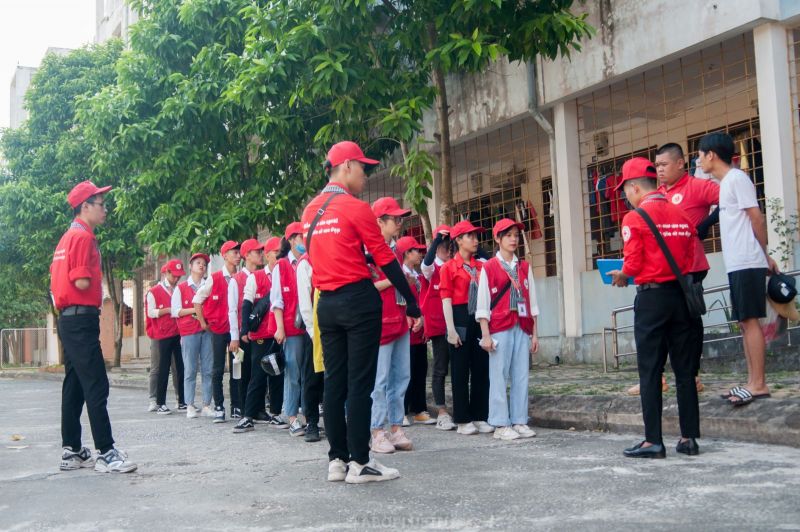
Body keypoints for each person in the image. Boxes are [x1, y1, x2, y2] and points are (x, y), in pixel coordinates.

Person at [300, 141, 421, 484]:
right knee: (360, 384)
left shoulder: (309, 212)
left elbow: (328, 254)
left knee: (334, 384)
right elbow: (386, 258)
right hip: (357, 301)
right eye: (364, 168)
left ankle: (337, 460)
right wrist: (411, 301)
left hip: (327, 304)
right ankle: (361, 463)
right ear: (347, 166)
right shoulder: (355, 208)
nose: (366, 175)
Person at [607, 157, 700, 458]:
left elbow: (632, 265)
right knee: (685, 371)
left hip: (651, 300)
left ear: (634, 187)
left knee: (650, 370)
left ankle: (653, 441)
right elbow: (691, 259)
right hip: (681, 297)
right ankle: (688, 439)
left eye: (625, 191)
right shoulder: (681, 213)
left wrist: (622, 276)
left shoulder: (635, 218)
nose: (625, 197)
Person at [51, 180, 137, 473]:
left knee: (75, 383)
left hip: (68, 318)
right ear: (85, 207)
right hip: (80, 318)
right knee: (96, 382)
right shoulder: (84, 238)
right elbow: (82, 280)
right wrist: (92, 284)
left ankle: (72, 449)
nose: (105, 209)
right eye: (101, 204)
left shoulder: (66, 238)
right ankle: (106, 451)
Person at [697, 132, 777, 406]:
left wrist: (764, 255)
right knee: (745, 322)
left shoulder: (736, 179)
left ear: (711, 155)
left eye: (699, 154)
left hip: (747, 261)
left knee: (750, 320)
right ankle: (752, 381)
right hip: (739, 263)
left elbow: (757, 218)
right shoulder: (727, 183)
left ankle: (759, 384)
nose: (699, 160)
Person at [475, 219, 539, 441]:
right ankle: (501, 423)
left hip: (521, 325)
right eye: (508, 235)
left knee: (521, 375)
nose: (514, 239)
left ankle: (520, 419)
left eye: (516, 235)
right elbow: (483, 303)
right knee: (499, 375)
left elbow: (532, 301)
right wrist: (485, 334)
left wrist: (534, 333)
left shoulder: (524, 267)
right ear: (498, 239)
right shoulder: (490, 266)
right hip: (500, 326)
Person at [368, 197, 415, 454]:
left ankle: (396, 427)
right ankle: (377, 430)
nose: (399, 223)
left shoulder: (396, 252)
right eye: (394, 219)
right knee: (380, 380)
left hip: (399, 321)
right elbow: (368, 287)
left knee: (401, 377)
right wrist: (395, 280)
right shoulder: (368, 253)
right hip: (380, 324)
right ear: (379, 222)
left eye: (400, 219)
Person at [439, 220, 492, 436]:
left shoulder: (482, 266)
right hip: (459, 316)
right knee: (460, 370)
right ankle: (462, 419)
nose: (475, 240)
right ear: (458, 240)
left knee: (481, 368)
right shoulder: (448, 267)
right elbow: (446, 299)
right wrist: (450, 329)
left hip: (479, 317)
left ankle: (480, 415)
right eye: (470, 236)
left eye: (476, 236)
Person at [233, 238, 287, 433]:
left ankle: (275, 413)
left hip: (282, 332)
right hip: (262, 334)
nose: (280, 256)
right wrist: (245, 330)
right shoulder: (255, 277)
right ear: (268, 255)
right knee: (258, 375)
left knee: (278, 373)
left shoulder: (285, 272)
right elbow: (246, 303)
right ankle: (248, 416)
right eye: (276, 252)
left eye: (282, 252)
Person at [193, 241, 240, 423]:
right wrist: (203, 323)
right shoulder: (215, 277)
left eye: (238, 252)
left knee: (237, 368)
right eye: (234, 252)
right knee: (218, 368)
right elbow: (198, 300)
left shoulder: (241, 276)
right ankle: (219, 406)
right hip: (220, 329)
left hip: (237, 330)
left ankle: (236, 405)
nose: (237, 255)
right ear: (225, 255)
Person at [270, 223, 309, 437]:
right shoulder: (282, 266)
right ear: (293, 239)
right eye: (302, 236)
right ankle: (292, 416)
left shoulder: (308, 261)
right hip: (291, 329)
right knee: (292, 372)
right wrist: (280, 328)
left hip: (309, 327)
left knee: (307, 372)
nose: (305, 240)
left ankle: (305, 414)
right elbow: (276, 300)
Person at [420, 225, 456, 431]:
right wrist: (435, 241)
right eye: (443, 245)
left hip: (456, 323)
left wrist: (457, 237)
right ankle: (442, 411)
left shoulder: (455, 265)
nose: (446, 248)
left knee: (459, 368)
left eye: (449, 244)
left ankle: (460, 409)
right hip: (439, 324)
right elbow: (426, 263)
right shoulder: (432, 267)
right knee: (440, 368)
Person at [398, 235, 435, 426]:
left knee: (421, 369)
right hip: (406, 329)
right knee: (405, 371)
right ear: (406, 253)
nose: (420, 254)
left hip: (419, 331)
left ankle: (419, 408)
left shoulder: (419, 276)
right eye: (416, 250)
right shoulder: (400, 275)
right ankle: (401, 411)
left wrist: (424, 321)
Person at [172, 253, 214, 419]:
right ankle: (189, 404)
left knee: (208, 369)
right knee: (190, 369)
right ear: (190, 266)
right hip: (189, 332)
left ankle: (206, 404)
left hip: (207, 331)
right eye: (198, 263)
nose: (201, 266)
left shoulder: (208, 285)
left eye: (204, 263)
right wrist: (195, 310)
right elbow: (176, 311)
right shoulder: (181, 288)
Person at [228, 238, 264, 418]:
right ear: (247, 255)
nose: (261, 255)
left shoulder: (263, 276)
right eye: (257, 252)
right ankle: (243, 408)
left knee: (260, 371)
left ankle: (259, 409)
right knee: (244, 372)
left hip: (261, 332)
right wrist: (235, 336)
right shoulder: (237, 280)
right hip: (243, 335)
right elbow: (233, 310)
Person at [295, 228, 325, 443]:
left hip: (335, 327)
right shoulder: (305, 263)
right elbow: (305, 303)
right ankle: (312, 423)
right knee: (312, 378)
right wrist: (313, 333)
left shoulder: (331, 257)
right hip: (314, 330)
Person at [146, 259, 186, 415]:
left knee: (178, 367)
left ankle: (180, 399)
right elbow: (151, 312)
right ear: (166, 273)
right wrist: (169, 310)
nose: (177, 279)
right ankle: (155, 400)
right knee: (159, 367)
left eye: (179, 276)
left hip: (177, 332)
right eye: (174, 275)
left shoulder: (179, 289)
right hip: (160, 333)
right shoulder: (154, 291)